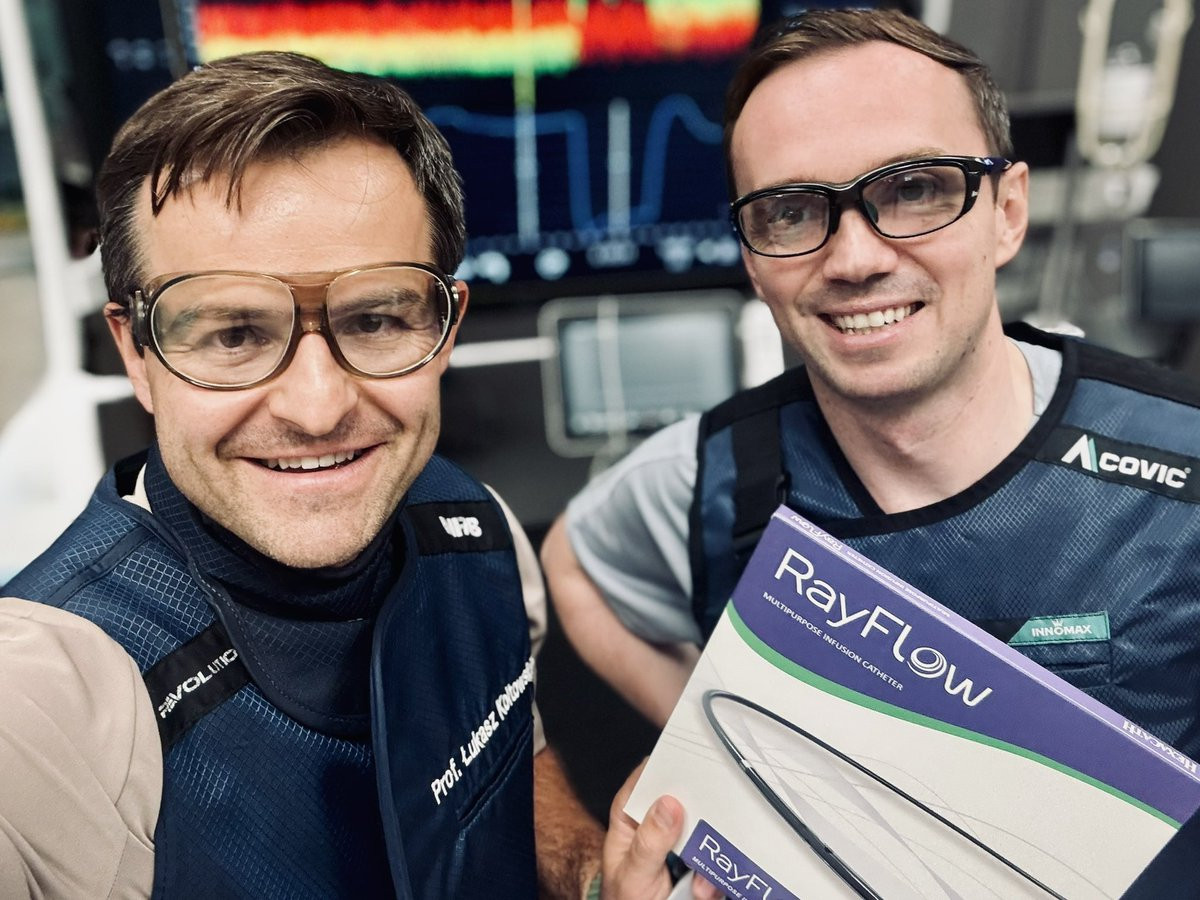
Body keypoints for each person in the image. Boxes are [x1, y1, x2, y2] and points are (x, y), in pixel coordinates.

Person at [542, 7, 1200, 890]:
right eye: (789, 211)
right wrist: (718, 747)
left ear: (1007, 212)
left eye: (915, 190)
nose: (855, 258)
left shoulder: (1183, 468)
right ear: (752, 256)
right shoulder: (708, 477)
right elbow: (573, 560)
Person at [0, 50, 657, 900]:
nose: (317, 408)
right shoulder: (43, 704)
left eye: (375, 319)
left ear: (445, 329)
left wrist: (596, 878)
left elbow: (506, 764)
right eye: (234, 334)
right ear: (137, 353)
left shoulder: (476, 529)